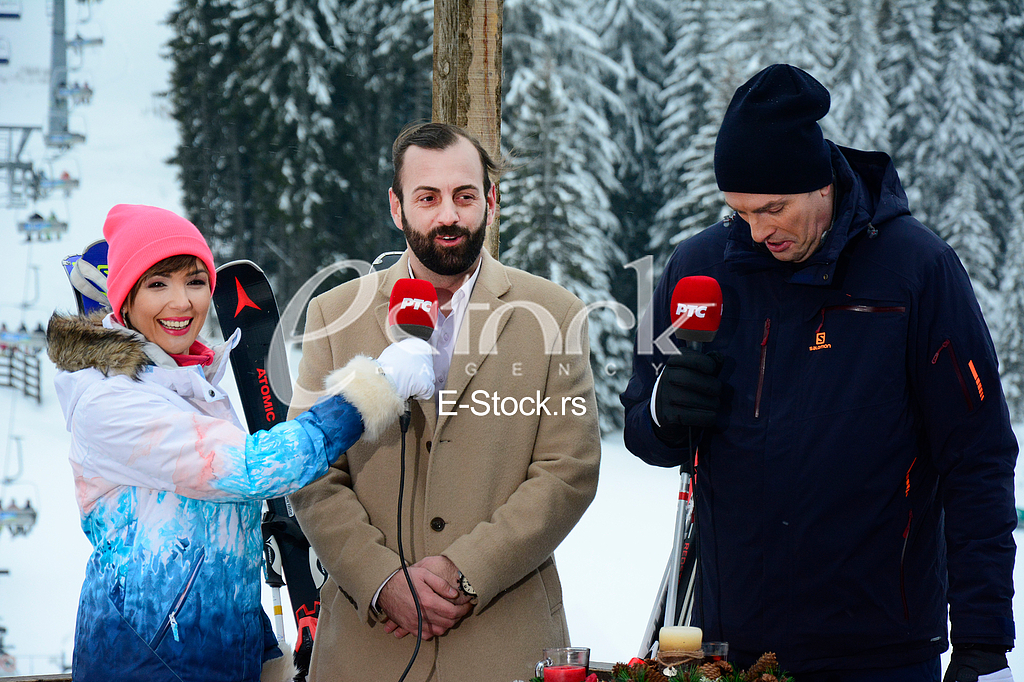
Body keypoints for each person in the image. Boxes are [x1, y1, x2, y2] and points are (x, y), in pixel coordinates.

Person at [620, 65, 1017, 682]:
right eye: (740, 211)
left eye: (773, 209)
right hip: (729, 648)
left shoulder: (917, 270)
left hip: (881, 649)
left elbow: (979, 459)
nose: (758, 231)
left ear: (822, 184)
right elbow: (640, 429)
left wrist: (982, 643)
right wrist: (662, 412)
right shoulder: (696, 268)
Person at [47, 204, 435, 682]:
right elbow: (252, 471)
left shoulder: (185, 385)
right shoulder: (109, 402)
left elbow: (213, 551)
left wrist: (263, 651)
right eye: (157, 284)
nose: (181, 302)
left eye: (194, 281)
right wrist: (377, 386)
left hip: (217, 658)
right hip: (146, 664)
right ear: (123, 300)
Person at [286, 122, 601, 682]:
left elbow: (567, 472)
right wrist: (382, 579)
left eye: (464, 196)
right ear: (396, 206)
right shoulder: (334, 316)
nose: (448, 215)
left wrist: (467, 570)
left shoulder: (553, 313)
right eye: (427, 198)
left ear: (491, 200)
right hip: (367, 648)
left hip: (506, 647)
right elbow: (311, 473)